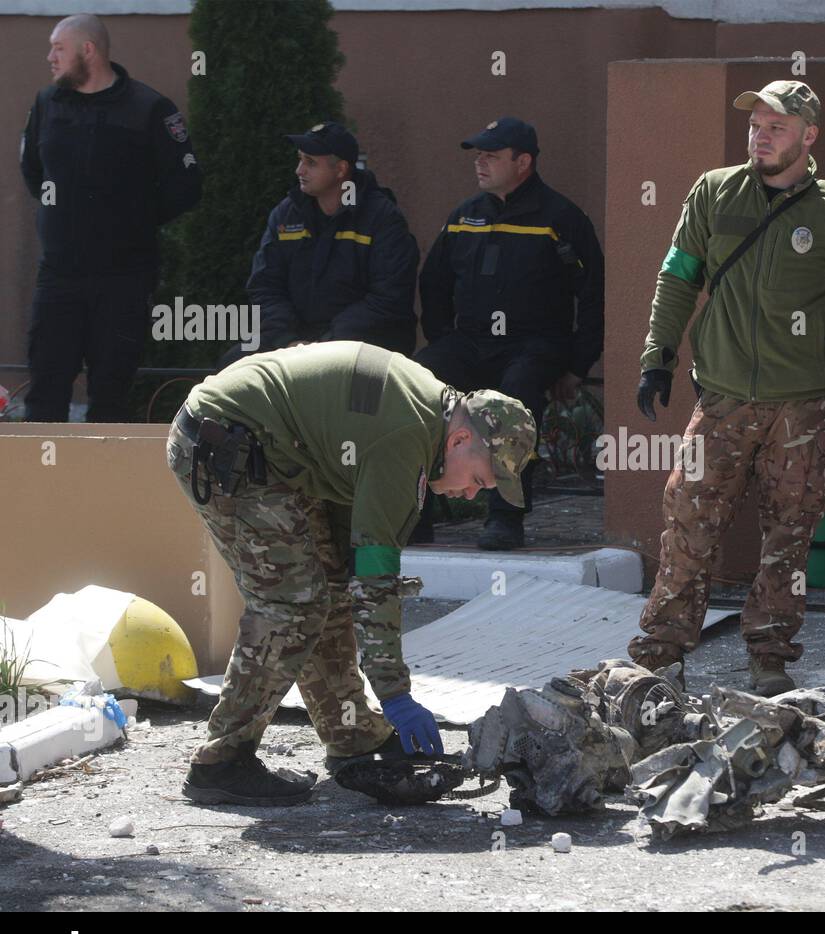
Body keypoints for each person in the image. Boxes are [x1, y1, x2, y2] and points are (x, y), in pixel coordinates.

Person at [164, 340, 536, 806]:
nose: (469, 495)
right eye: (479, 479)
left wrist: (345, 582)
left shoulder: (426, 417)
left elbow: (352, 571)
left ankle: (353, 737)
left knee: (327, 589)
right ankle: (221, 763)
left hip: (276, 452)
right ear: (461, 441)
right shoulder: (406, 441)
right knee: (292, 604)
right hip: (227, 445)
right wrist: (396, 695)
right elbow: (375, 581)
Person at [627, 80, 825, 696]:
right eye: (756, 125)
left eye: (776, 127)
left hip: (802, 408)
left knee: (788, 538)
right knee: (687, 521)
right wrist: (656, 358)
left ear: (808, 136)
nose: (760, 136)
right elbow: (678, 277)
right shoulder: (715, 194)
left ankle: (769, 656)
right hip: (720, 400)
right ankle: (660, 653)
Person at [412, 117, 604, 550]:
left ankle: (505, 517)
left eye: (491, 156)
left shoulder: (560, 218)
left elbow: (592, 295)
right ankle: (416, 513)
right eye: (478, 155)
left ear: (524, 162)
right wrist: (444, 338)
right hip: (471, 340)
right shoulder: (465, 215)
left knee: (515, 396)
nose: (480, 163)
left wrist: (576, 365)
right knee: (420, 381)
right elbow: (434, 282)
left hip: (533, 343)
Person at [19, 13, 201, 421]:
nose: (50, 57)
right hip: (59, 277)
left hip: (123, 279)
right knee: (45, 390)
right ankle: (44, 483)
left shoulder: (148, 108)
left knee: (111, 395)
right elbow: (33, 171)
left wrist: (131, 220)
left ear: (89, 50)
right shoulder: (46, 104)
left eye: (58, 48)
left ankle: (101, 482)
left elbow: (186, 186)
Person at [234, 122, 419, 365]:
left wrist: (327, 343)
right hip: (292, 341)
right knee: (231, 367)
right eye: (300, 160)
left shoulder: (381, 218)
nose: (299, 170)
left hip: (361, 343)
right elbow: (265, 286)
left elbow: (388, 299)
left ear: (341, 170)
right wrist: (287, 339)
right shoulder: (286, 214)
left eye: (310, 162)